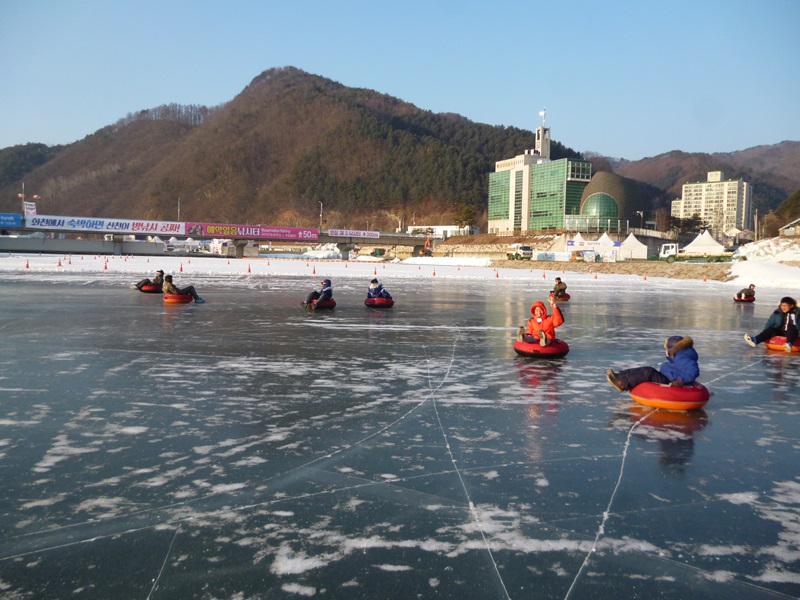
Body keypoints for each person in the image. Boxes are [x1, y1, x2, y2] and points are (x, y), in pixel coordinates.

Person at [606, 336, 699, 392]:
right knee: (645, 370)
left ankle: (622, 383)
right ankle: (621, 376)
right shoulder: (681, 356)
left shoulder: (685, 358)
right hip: (667, 378)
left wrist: (679, 381)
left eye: (667, 350)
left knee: (648, 372)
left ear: (672, 350)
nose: (666, 352)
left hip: (670, 382)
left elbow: (693, 371)